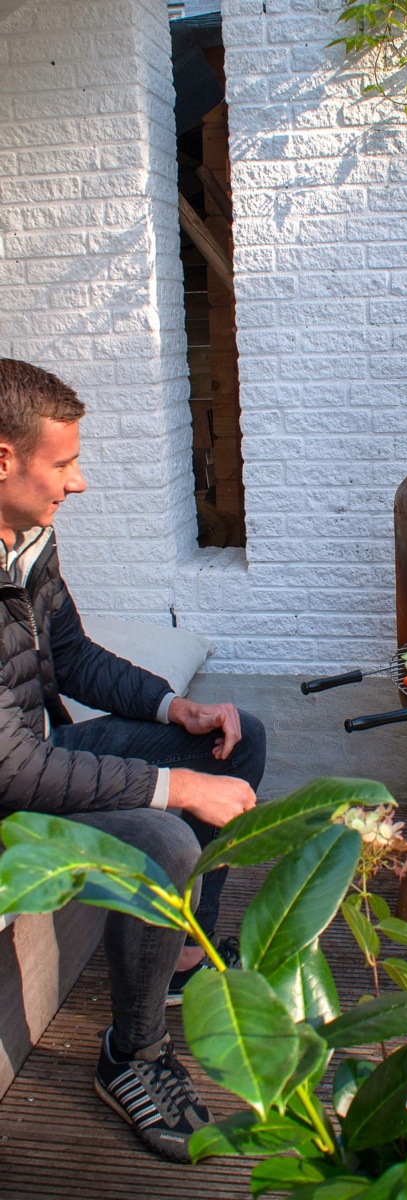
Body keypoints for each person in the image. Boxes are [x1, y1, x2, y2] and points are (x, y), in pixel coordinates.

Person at [0, 358, 267, 1160]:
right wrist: (175, 784)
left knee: (238, 735)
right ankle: (135, 1053)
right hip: (13, 783)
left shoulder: (25, 540)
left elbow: (71, 656)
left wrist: (169, 707)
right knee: (167, 838)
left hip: (32, 759)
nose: (77, 484)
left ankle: (182, 953)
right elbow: (10, 770)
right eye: (64, 463)